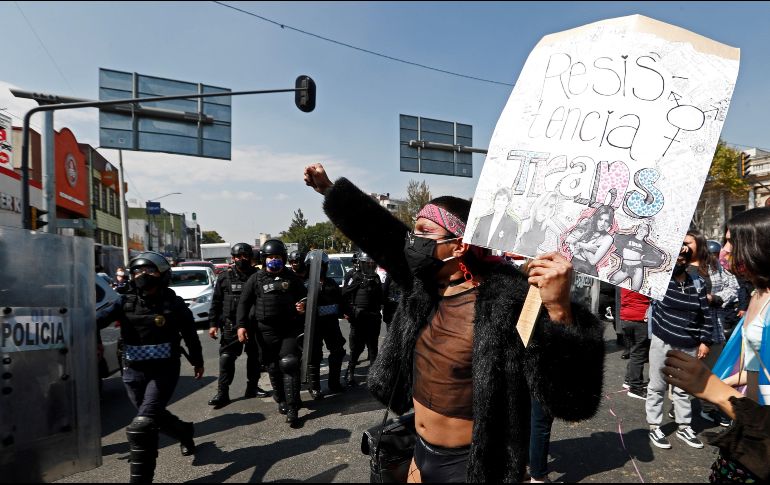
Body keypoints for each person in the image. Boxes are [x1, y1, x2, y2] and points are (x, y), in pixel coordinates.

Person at [304, 163, 605, 483]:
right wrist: (329, 189)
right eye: (413, 231)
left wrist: (559, 310)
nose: (411, 241)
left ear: (459, 245)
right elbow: (380, 232)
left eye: (424, 232)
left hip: (473, 468)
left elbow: (572, 400)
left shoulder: (511, 304)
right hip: (418, 454)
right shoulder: (422, 286)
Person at [98, 251, 204, 483]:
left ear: (162, 274)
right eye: (137, 271)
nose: (143, 275)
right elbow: (96, 320)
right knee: (152, 416)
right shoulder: (124, 301)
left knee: (142, 424)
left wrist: (198, 360)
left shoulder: (174, 303)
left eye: (149, 270)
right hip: (133, 371)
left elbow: (190, 335)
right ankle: (184, 432)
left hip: (164, 370)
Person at [663, 351, 769, 483]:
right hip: (736, 457)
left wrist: (722, 394)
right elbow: (759, 371)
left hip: (757, 462)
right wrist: (722, 383)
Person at [646, 244, 713, 450]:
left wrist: (705, 340)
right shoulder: (660, 281)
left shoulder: (698, 283)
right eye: (676, 257)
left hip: (689, 343)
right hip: (662, 339)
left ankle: (684, 426)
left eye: (683, 259)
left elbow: (705, 314)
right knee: (657, 385)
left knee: (683, 389)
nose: (679, 261)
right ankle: (655, 426)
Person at [236, 239, 307, 427]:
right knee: (273, 368)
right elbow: (243, 303)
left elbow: (304, 298)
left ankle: (293, 408)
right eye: (270, 257)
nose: (273, 260)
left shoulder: (291, 278)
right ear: (264, 259)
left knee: (289, 364)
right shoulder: (256, 279)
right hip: (265, 331)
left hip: (289, 329)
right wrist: (241, 326)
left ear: (283, 258)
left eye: (277, 257)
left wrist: (303, 306)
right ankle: (281, 399)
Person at [208, 243, 269, 408]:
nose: (241, 259)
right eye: (238, 257)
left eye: (245, 256)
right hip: (231, 325)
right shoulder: (224, 277)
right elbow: (216, 302)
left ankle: (252, 387)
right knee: (227, 358)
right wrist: (213, 324)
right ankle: (223, 393)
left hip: (253, 324)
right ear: (233, 258)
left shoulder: (258, 276)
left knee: (255, 358)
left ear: (250, 258)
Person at [303, 251, 347, 398]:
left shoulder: (331, 283)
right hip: (313, 326)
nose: (320, 268)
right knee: (314, 356)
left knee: (338, 351)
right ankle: (314, 388)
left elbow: (340, 302)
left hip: (331, 324)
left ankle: (334, 383)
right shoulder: (304, 285)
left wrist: (345, 312)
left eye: (322, 265)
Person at [341, 251, 384, 386]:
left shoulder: (376, 278)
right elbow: (344, 294)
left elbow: (381, 297)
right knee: (357, 348)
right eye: (368, 263)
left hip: (373, 317)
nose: (370, 265)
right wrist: (350, 311)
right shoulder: (355, 276)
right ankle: (350, 372)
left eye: (372, 263)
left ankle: (374, 376)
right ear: (361, 263)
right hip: (358, 318)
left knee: (373, 347)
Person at [608, 222, 666, 292]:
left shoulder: (645, 245)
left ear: (646, 233)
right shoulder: (628, 238)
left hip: (637, 269)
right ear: (637, 230)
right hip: (625, 268)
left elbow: (657, 253)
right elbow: (615, 236)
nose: (642, 230)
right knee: (612, 282)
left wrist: (660, 256)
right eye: (640, 227)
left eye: (644, 229)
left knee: (635, 291)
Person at [564, 205, 615, 277]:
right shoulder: (586, 223)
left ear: (610, 223)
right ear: (596, 218)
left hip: (588, 268)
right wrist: (588, 247)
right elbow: (568, 240)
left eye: (606, 221)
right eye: (600, 219)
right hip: (573, 261)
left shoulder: (608, 238)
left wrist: (582, 245)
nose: (602, 223)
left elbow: (593, 261)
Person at [619, 288, 651, 400]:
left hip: (625, 317)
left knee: (634, 351)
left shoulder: (626, 277)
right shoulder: (645, 278)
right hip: (640, 317)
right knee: (638, 354)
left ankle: (629, 380)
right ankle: (635, 387)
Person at [514, 191, 563, 257]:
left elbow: (561, 235)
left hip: (532, 257)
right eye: (545, 204)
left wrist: (560, 251)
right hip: (518, 257)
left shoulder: (546, 222)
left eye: (551, 206)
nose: (546, 210)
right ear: (539, 204)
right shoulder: (527, 223)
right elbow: (513, 243)